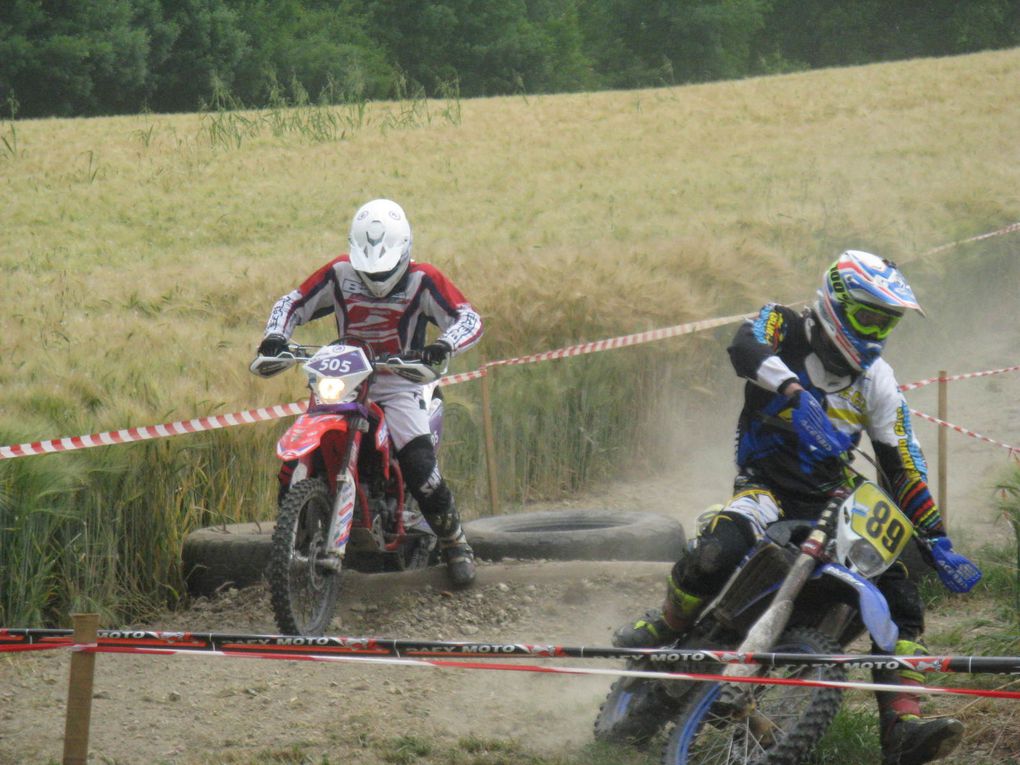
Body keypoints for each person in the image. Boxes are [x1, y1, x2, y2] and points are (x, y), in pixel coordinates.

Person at [614, 251, 973, 765]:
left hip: (834, 493)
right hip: (767, 485)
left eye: (886, 321)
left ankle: (903, 724)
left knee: (902, 596)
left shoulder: (878, 380)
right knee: (718, 549)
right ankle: (668, 623)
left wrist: (937, 537)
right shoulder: (783, 324)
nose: (876, 332)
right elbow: (743, 344)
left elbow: (902, 463)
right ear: (836, 305)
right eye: (869, 316)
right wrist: (790, 389)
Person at [254, 198, 483, 588]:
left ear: (405, 252)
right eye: (367, 271)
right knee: (294, 461)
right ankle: (290, 546)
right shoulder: (339, 273)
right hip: (342, 378)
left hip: (399, 381)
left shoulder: (423, 279)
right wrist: (276, 336)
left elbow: (469, 318)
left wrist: (442, 346)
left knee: (420, 466)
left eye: (386, 269)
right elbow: (292, 303)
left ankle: (454, 542)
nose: (375, 279)